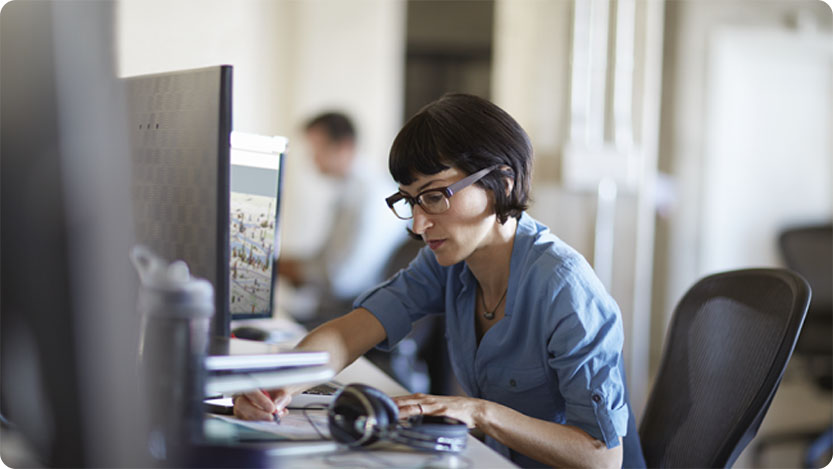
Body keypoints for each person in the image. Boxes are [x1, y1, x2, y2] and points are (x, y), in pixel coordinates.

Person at [235, 94, 644, 468]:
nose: (417, 223)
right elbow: (351, 333)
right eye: (410, 200)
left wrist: (479, 411)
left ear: (502, 183)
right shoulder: (446, 263)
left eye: (434, 196)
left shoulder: (564, 288)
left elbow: (602, 456)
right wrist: (276, 386)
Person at [278, 112, 406, 327]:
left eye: (317, 150)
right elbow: (326, 260)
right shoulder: (352, 191)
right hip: (341, 307)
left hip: (355, 314)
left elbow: (343, 280)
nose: (312, 159)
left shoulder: (369, 196)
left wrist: (288, 269)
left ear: (344, 147)